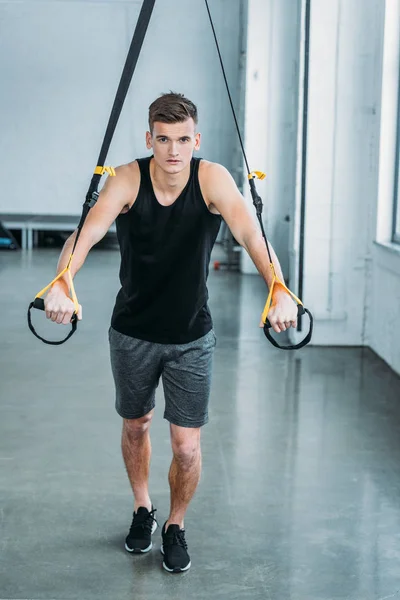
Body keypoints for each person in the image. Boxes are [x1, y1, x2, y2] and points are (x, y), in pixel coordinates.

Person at [44, 92, 298, 573]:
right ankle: (143, 508)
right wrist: (62, 282)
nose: (173, 150)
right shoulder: (126, 178)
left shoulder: (212, 179)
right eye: (163, 139)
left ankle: (175, 524)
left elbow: (252, 235)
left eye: (183, 139)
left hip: (191, 337)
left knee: (187, 446)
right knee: (136, 425)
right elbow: (86, 234)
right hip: (132, 332)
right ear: (150, 139)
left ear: (195, 139)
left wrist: (279, 289)